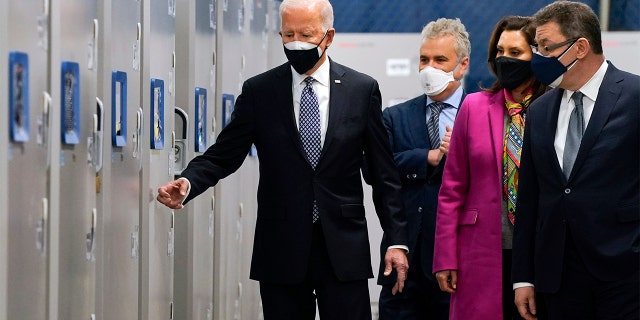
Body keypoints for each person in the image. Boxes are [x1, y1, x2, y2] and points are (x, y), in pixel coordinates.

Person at [156, 0, 409, 319]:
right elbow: (224, 155)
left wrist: (397, 240)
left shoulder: (361, 90)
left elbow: (384, 175)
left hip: (343, 246)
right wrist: (189, 181)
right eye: (288, 34)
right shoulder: (260, 91)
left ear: (328, 37)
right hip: (281, 246)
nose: (296, 42)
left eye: (306, 33)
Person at [511, 1, 640, 320]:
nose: (538, 57)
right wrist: (523, 277)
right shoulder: (539, 110)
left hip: (625, 272)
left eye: (545, 47)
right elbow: (529, 198)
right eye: (536, 47)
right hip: (557, 277)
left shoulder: (635, 96)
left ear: (580, 47)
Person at [432, 16, 548, 320]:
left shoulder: (554, 107)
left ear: (537, 55)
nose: (504, 59)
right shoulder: (473, 106)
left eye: (515, 52)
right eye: (500, 52)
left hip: (542, 251)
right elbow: (452, 189)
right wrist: (444, 256)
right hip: (480, 252)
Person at [375, 18, 469, 320]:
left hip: (459, 261)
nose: (430, 67)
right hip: (404, 257)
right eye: (424, 59)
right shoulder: (395, 116)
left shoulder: (479, 113)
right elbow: (376, 169)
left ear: (462, 65)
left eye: (441, 60)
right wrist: (427, 157)